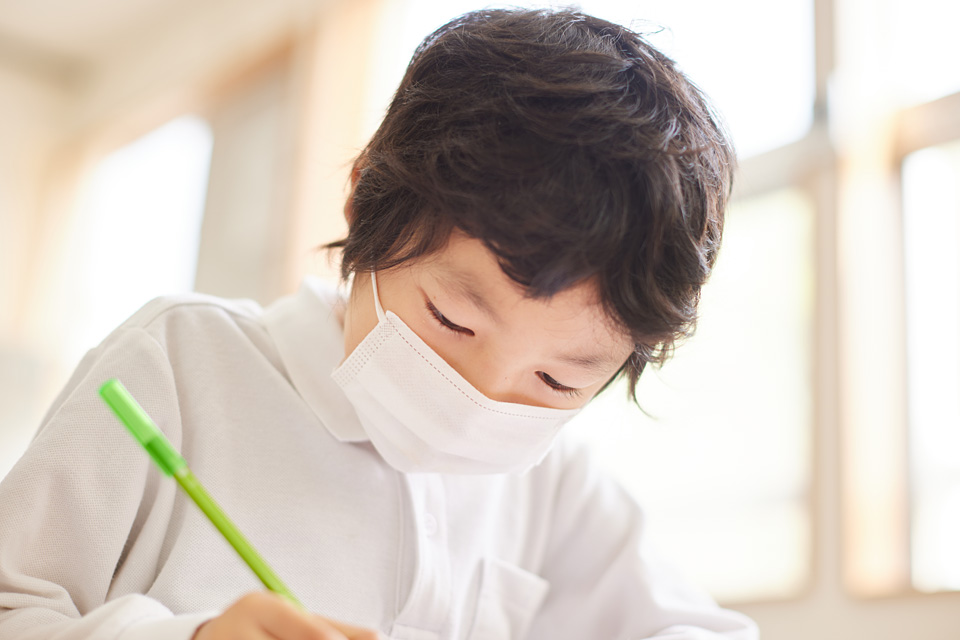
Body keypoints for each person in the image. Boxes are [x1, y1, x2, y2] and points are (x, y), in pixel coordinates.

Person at [0, 8, 758, 640]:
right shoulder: (182, 361)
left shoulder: (554, 485)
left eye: (556, 380)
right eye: (452, 319)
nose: (480, 398)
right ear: (365, 201)